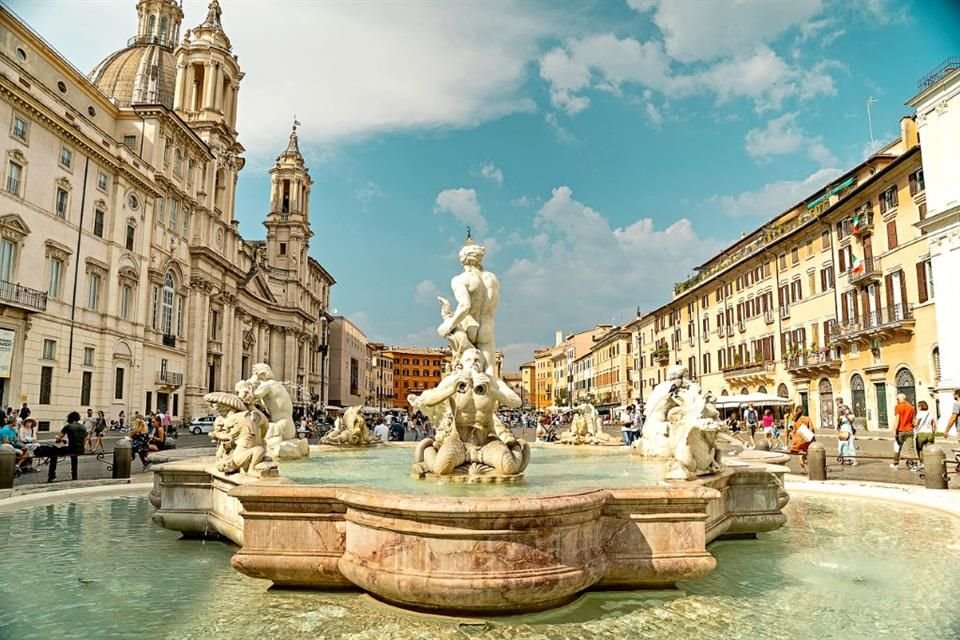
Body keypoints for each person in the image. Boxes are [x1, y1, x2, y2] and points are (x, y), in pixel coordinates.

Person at [48, 411, 87, 482]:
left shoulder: (68, 426)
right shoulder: (83, 427)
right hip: (80, 449)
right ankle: (74, 475)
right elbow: (84, 441)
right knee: (74, 457)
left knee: (54, 453)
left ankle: (52, 475)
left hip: (71, 448)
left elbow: (58, 439)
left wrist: (60, 440)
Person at [891, 393, 916, 469]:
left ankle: (895, 463)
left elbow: (897, 419)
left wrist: (894, 429)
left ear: (898, 399)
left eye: (897, 399)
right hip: (910, 430)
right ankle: (914, 464)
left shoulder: (898, 407)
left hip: (901, 431)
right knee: (911, 449)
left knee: (897, 447)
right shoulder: (911, 407)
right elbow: (913, 420)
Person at [788, 406, 815, 473]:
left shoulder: (795, 420)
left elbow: (793, 430)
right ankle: (812, 465)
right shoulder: (807, 418)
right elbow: (811, 429)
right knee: (806, 453)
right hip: (805, 438)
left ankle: (803, 469)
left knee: (800, 455)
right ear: (803, 411)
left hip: (797, 439)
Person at [914, 400, 936, 466]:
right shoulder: (930, 413)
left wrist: (914, 424)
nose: (918, 407)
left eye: (918, 406)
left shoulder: (919, 413)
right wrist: (933, 432)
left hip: (921, 433)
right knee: (929, 449)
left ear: (921, 406)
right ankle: (930, 462)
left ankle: (922, 463)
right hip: (930, 433)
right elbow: (933, 424)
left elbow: (916, 423)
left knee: (919, 449)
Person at [836, 399, 857, 465]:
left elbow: (851, 421)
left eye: (845, 409)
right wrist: (838, 417)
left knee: (850, 444)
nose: (844, 410)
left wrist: (846, 415)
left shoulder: (851, 415)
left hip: (848, 430)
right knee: (842, 445)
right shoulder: (841, 416)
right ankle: (843, 458)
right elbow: (838, 423)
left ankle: (853, 459)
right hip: (842, 430)